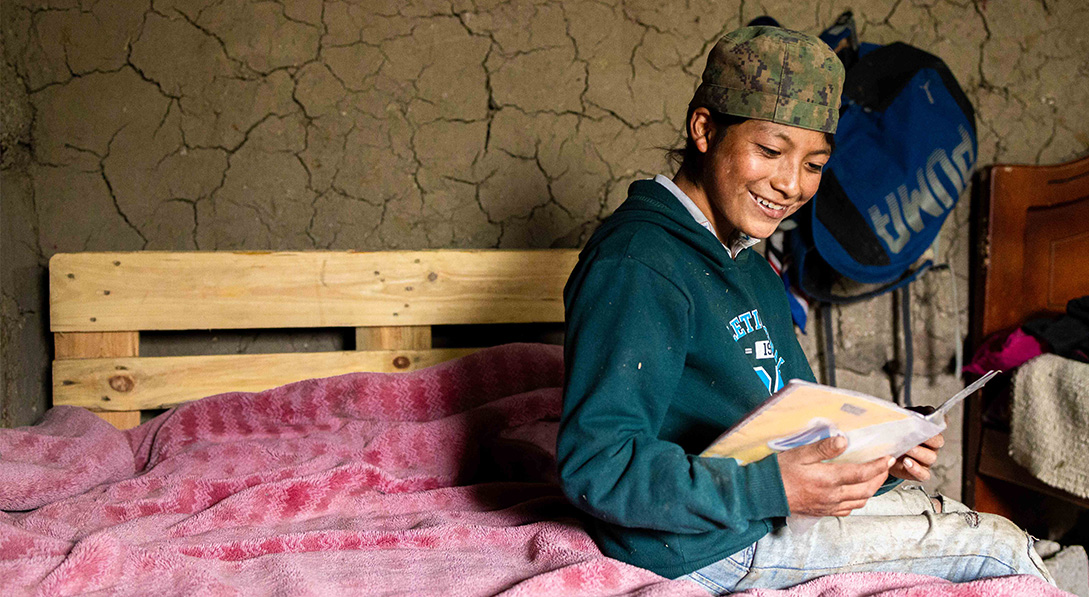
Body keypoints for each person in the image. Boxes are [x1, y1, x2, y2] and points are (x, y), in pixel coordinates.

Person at [556, 26, 1053, 594]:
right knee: (1000, 550)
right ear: (704, 129)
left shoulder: (748, 264)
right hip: (700, 544)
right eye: (769, 152)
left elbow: (801, 420)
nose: (790, 184)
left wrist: (882, 447)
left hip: (756, 509)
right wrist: (771, 489)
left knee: (961, 518)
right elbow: (597, 465)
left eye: (814, 164)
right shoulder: (640, 262)